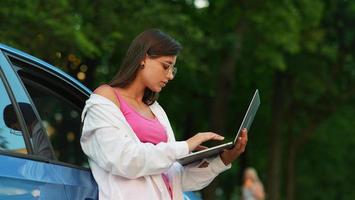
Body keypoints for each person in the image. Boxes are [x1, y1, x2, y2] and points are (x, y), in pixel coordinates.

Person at [80, 29, 248, 200]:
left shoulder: (155, 109)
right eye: (165, 66)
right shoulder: (105, 98)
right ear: (143, 58)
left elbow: (175, 178)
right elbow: (123, 159)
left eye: (173, 69)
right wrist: (184, 146)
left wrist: (222, 160)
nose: (170, 75)